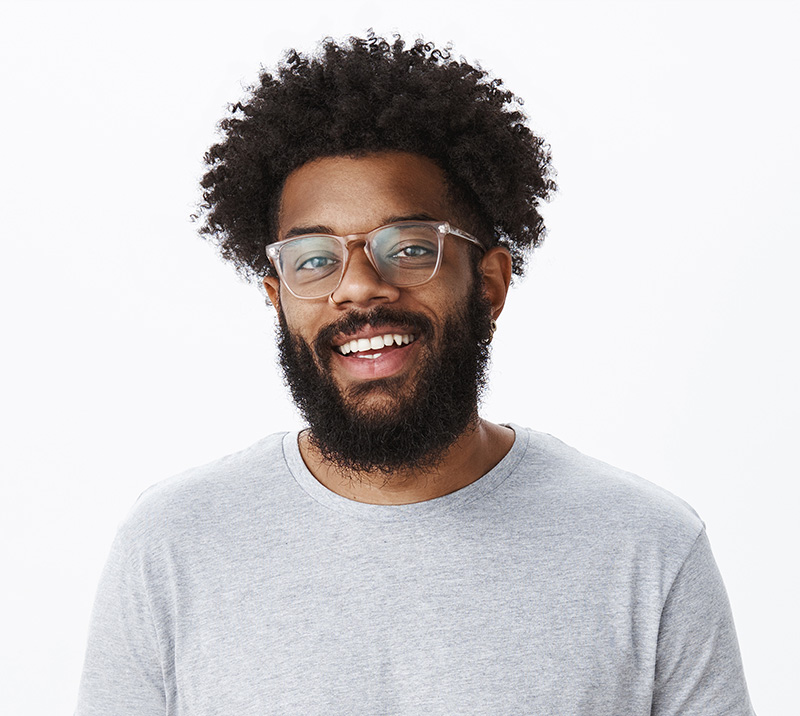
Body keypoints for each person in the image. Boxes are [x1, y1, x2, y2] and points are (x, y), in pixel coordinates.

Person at [75, 34, 755, 715]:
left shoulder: (646, 547)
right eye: (314, 260)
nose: (358, 287)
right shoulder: (172, 546)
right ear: (278, 300)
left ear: (488, 284)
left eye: (407, 248)